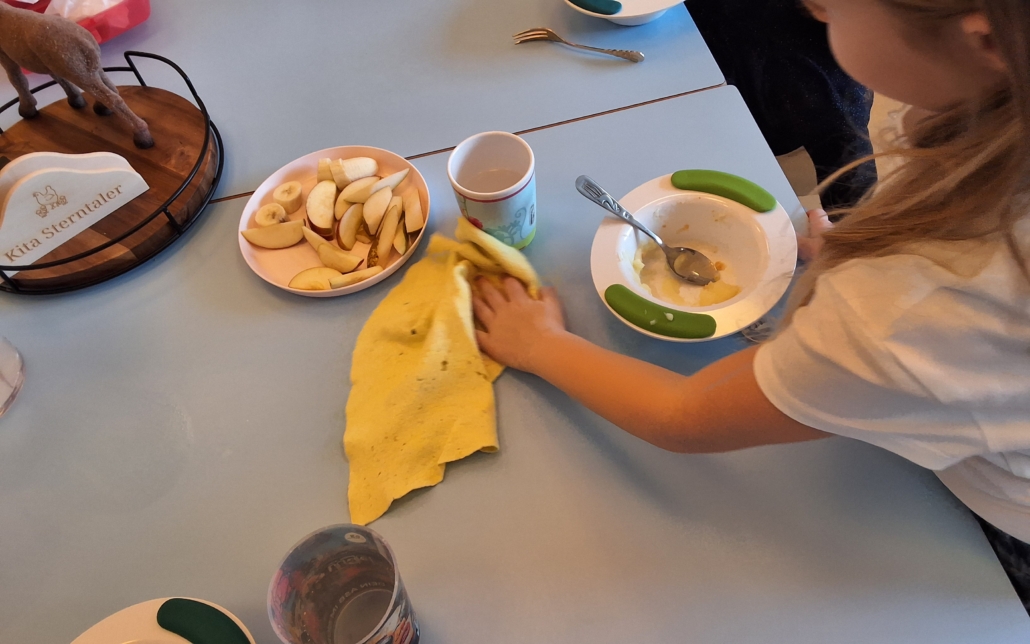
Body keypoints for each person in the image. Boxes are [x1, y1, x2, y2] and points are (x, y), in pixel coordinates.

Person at [473, 0, 1030, 612]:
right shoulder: (968, 104)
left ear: (984, 41)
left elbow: (683, 416)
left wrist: (541, 345)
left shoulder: (913, 307)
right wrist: (868, 244)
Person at [685, 0, 877, 210]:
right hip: (696, 43)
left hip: (777, 119)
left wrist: (846, 227)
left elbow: (853, 191)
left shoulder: (826, 95)